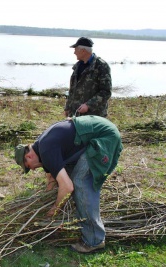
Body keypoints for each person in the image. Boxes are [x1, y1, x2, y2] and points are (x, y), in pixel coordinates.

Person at [14, 115, 123, 253]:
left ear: (29, 156)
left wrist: (54, 210)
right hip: (95, 133)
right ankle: (86, 221)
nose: (33, 169)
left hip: (104, 137)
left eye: (29, 166)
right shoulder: (41, 146)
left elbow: (67, 187)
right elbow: (52, 177)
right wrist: (44, 201)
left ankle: (94, 240)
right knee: (70, 175)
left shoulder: (46, 150)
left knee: (80, 182)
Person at [64, 37, 112, 118]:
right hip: (76, 115)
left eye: (75, 50)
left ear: (83, 51)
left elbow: (106, 92)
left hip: (94, 115)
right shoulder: (78, 66)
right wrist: (68, 107)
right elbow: (72, 90)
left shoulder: (101, 66)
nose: (74, 53)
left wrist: (88, 105)